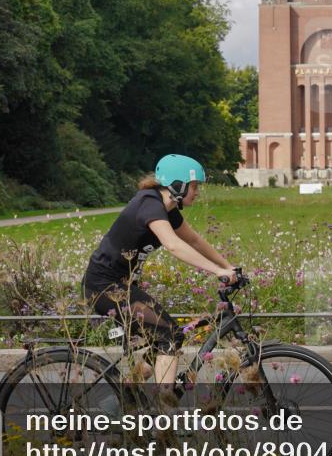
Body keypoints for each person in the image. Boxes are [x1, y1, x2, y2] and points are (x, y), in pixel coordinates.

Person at [82, 154, 237, 386]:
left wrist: (227, 266)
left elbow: (194, 240)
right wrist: (216, 271)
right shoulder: (149, 203)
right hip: (103, 287)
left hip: (120, 286)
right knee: (170, 337)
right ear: (178, 185)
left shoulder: (168, 209)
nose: (197, 192)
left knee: (165, 338)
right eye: (194, 186)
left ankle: (126, 396)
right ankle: (166, 415)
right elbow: (174, 245)